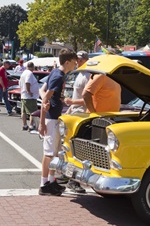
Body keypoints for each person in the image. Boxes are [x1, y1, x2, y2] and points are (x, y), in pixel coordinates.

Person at [38, 48, 78, 196]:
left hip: (53, 117)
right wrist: (42, 122)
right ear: (67, 62)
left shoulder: (55, 73)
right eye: (74, 63)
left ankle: (50, 181)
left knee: (54, 153)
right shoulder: (58, 76)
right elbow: (45, 98)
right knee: (49, 153)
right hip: (52, 119)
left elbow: (42, 91)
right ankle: (44, 184)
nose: (75, 65)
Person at [62, 50, 90, 194]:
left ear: (86, 60)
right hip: (75, 114)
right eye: (77, 60)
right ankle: (69, 179)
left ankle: (70, 179)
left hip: (82, 116)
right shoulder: (80, 74)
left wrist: (72, 103)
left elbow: (88, 100)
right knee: (72, 150)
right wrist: (70, 108)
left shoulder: (88, 76)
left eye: (80, 60)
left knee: (77, 151)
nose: (77, 62)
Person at [19, 62, 39, 131]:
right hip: (29, 97)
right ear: (32, 67)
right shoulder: (29, 73)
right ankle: (31, 125)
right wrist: (29, 91)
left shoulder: (24, 73)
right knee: (33, 112)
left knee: (24, 111)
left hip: (24, 96)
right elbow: (27, 82)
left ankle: (24, 125)